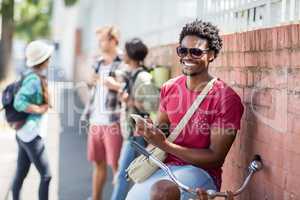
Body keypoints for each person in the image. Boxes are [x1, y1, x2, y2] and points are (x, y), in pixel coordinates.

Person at [126, 19, 244, 200]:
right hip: (165, 166)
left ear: (211, 54)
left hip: (201, 173)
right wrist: (150, 132)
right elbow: (163, 130)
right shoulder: (169, 87)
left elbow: (215, 157)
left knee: (162, 192)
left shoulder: (226, 98)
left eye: (196, 52)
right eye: (183, 50)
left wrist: (164, 145)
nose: (188, 57)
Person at [111, 38, 158, 200]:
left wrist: (131, 101)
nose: (122, 54)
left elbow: (154, 104)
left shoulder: (142, 77)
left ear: (130, 54)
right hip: (132, 134)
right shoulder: (133, 74)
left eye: (125, 51)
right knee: (133, 174)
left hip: (136, 136)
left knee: (123, 176)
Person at [11, 40, 53, 200]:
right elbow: (18, 102)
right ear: (43, 60)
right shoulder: (34, 80)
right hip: (30, 135)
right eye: (48, 57)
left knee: (21, 172)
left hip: (23, 133)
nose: (50, 60)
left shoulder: (30, 75)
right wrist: (40, 109)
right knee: (46, 175)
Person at [86, 25, 123, 200]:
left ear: (113, 40)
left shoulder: (124, 61)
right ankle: (96, 198)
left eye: (103, 39)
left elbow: (130, 88)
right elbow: (91, 87)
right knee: (98, 163)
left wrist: (113, 84)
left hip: (113, 123)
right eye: (99, 40)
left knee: (117, 167)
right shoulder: (98, 62)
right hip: (95, 121)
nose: (100, 43)